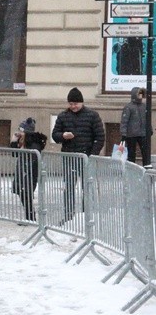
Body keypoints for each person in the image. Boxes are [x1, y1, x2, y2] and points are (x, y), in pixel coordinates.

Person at [52, 87, 105, 223]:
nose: (73, 106)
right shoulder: (63, 116)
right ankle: (69, 216)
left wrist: (92, 155)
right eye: (71, 104)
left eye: (76, 104)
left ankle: (86, 216)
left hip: (86, 157)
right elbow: (55, 134)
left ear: (81, 102)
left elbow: (100, 137)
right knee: (68, 187)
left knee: (87, 187)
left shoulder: (92, 115)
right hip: (69, 157)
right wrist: (63, 135)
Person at [9, 118, 47, 223]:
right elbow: (14, 154)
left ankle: (31, 218)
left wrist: (27, 170)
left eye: (21, 130)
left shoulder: (33, 143)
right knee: (23, 194)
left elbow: (33, 158)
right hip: (22, 172)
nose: (19, 132)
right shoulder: (23, 142)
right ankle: (29, 217)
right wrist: (13, 142)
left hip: (29, 173)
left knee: (26, 194)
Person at [120, 87, 151, 168]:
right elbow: (124, 121)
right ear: (134, 95)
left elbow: (147, 119)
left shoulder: (144, 106)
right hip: (131, 135)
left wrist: (149, 129)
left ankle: (146, 167)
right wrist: (123, 133)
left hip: (143, 133)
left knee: (145, 152)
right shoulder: (129, 107)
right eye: (138, 94)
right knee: (131, 153)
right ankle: (131, 168)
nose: (140, 95)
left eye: (141, 93)